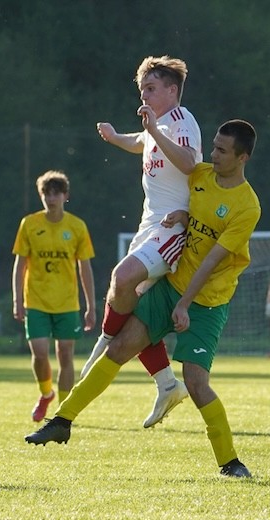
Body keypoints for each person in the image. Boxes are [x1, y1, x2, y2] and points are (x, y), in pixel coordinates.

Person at [26, 119, 261, 479]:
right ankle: (62, 420)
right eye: (213, 145)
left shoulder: (247, 207)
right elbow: (192, 214)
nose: (212, 154)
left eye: (221, 150)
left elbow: (212, 260)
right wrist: (183, 215)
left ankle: (230, 462)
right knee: (118, 348)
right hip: (171, 288)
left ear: (242, 158)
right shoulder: (200, 176)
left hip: (207, 302)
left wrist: (184, 304)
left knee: (196, 383)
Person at [85, 55, 203, 429]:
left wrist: (153, 130)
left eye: (151, 89)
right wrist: (115, 137)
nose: (144, 97)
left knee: (122, 279)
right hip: (148, 228)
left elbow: (189, 163)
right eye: (142, 90)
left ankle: (102, 346)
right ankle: (167, 385)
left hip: (173, 230)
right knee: (131, 308)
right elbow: (140, 142)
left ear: (172, 90)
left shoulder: (181, 121)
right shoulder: (157, 125)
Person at [12, 170, 96, 422]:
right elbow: (20, 264)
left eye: (56, 194)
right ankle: (46, 393)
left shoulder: (77, 226)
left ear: (65, 196)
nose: (51, 199)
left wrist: (91, 306)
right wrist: (17, 300)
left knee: (65, 355)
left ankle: (63, 412)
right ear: (41, 196)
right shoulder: (29, 224)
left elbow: (85, 268)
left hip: (67, 303)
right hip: (36, 300)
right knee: (39, 353)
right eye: (46, 194)